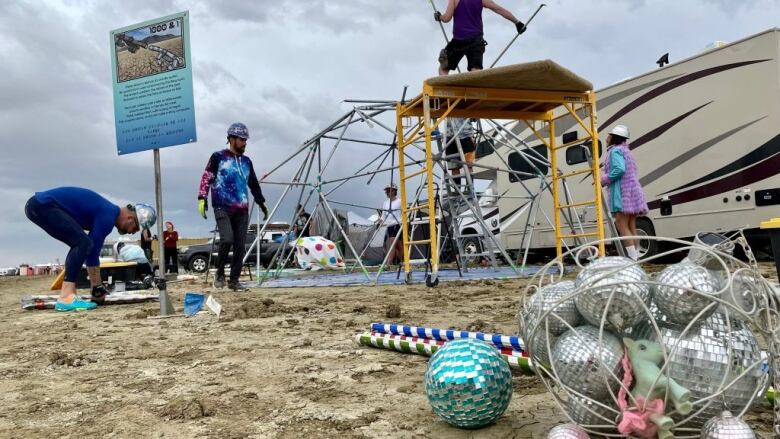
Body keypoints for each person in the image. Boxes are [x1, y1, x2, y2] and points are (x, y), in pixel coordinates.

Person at [24, 187, 156, 311]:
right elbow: (92, 252)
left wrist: (96, 287)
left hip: (39, 205)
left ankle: (69, 293)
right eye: (136, 228)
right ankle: (66, 297)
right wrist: (97, 287)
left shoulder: (108, 211)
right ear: (130, 219)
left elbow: (91, 250)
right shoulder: (108, 216)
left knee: (81, 243)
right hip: (43, 205)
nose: (132, 233)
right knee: (82, 243)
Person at [198, 122, 268, 290]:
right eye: (241, 139)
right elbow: (207, 176)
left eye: (246, 140)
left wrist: (261, 201)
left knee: (239, 245)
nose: (244, 143)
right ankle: (220, 272)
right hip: (222, 205)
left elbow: (253, 183)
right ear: (231, 138)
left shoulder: (247, 161)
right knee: (227, 239)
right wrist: (202, 197)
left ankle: (234, 280)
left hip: (242, 208)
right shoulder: (218, 157)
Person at [434, 0, 526, 75]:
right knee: (476, 72)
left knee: (444, 68)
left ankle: (446, 93)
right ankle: (475, 95)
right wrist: (517, 22)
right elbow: (499, 9)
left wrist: (439, 17)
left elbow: (447, 18)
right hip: (476, 40)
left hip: (459, 41)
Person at [601, 125, 648, 261]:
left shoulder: (615, 151)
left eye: (609, 136)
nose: (606, 138)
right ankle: (637, 257)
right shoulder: (626, 151)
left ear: (614, 138)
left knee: (621, 225)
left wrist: (604, 179)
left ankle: (632, 260)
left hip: (623, 192)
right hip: (633, 191)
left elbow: (619, 169)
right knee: (631, 225)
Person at [444, 117, 477, 191]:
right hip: (454, 137)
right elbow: (475, 118)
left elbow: (475, 118)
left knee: (466, 165)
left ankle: (468, 189)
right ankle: (460, 190)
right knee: (456, 167)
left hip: (462, 136)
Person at [377, 184, 403, 266]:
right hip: (389, 226)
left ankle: (389, 263)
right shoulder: (385, 203)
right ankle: (403, 261)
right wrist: (380, 221)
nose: (387, 193)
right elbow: (383, 216)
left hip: (398, 224)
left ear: (394, 191)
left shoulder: (400, 201)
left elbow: (404, 213)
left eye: (389, 191)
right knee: (398, 246)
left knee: (392, 242)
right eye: (386, 191)